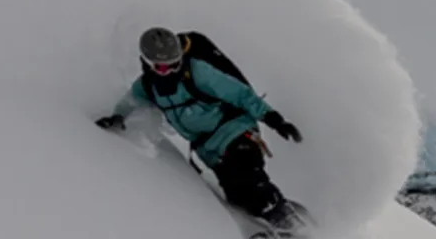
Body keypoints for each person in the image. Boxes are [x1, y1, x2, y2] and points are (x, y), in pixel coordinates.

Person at [96, 28, 302, 225]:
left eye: (175, 63)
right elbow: (130, 102)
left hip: (236, 130)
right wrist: (117, 117)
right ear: (147, 64)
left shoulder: (197, 72)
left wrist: (275, 120)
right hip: (208, 148)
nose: (171, 71)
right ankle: (282, 216)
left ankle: (292, 226)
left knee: (248, 176)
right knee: (237, 196)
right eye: (163, 67)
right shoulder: (147, 87)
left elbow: (240, 94)